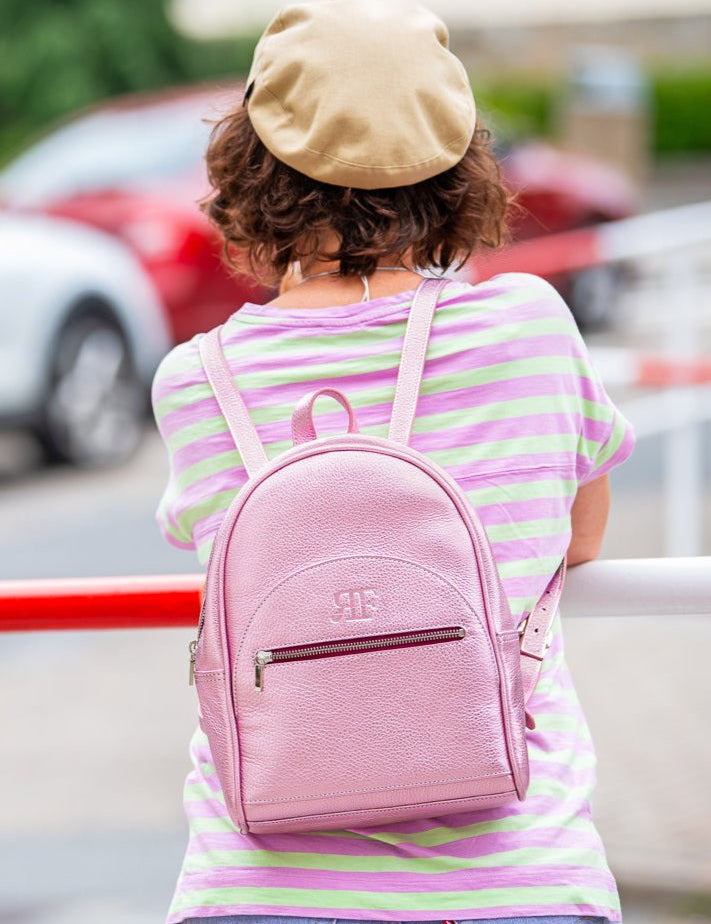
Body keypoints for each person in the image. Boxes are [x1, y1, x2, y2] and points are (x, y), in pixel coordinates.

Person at [151, 2, 635, 923]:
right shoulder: (528, 327)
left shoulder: (196, 379)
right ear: (456, 163)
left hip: (261, 888)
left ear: (248, 166)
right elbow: (577, 538)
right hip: (514, 881)